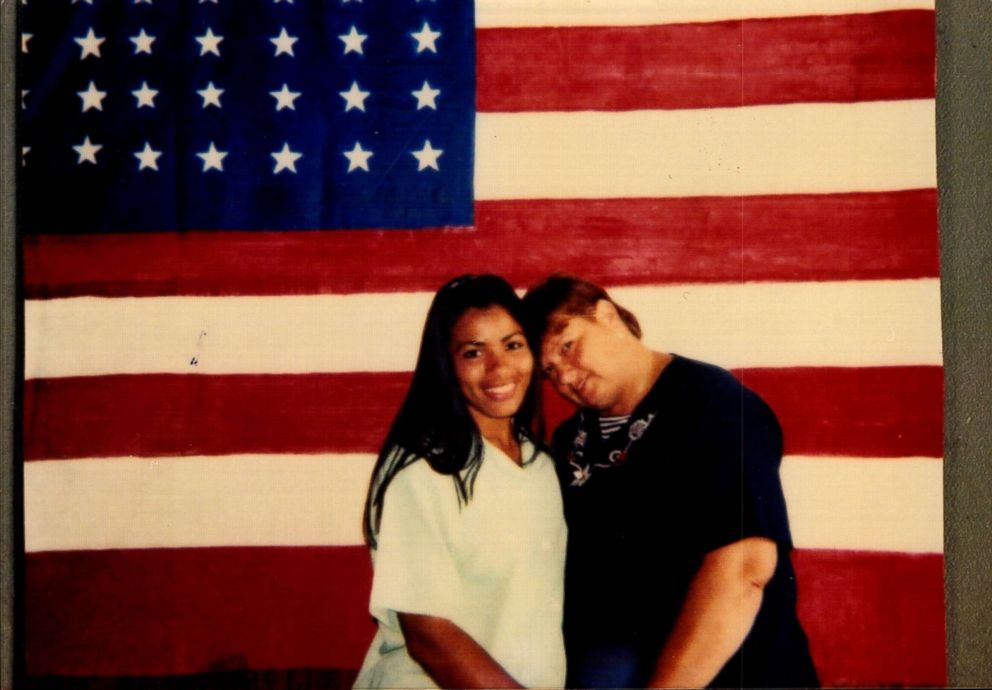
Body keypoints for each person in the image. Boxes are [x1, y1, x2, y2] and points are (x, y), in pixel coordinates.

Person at [522, 274, 819, 689]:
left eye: (568, 346)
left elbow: (744, 571)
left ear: (608, 315)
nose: (565, 378)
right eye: (549, 371)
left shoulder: (715, 406)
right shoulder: (571, 441)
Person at [353, 274, 567, 689]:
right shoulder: (421, 469)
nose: (499, 367)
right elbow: (430, 635)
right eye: (473, 352)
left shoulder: (542, 464)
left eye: (513, 345)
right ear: (445, 365)